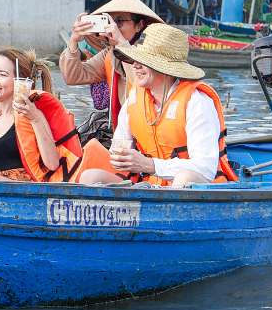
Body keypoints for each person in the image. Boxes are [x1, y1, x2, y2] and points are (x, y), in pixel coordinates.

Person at [77, 23, 238, 188]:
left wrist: (149, 165)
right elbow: (120, 146)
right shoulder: (134, 99)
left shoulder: (197, 101)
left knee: (184, 177)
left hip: (195, 187)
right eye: (135, 60)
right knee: (91, 176)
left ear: (166, 68)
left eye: (144, 61)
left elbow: (205, 168)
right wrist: (120, 157)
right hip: (150, 184)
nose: (135, 66)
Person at [0, 48, 82, 182]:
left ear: (20, 80)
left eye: (2, 75)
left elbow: (52, 164)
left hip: (23, 189)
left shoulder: (33, 115)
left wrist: (36, 119)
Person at [59, 0, 163, 130]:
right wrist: (73, 41)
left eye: (119, 22)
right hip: (123, 129)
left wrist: (121, 43)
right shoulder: (109, 55)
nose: (113, 27)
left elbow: (139, 85)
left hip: (152, 127)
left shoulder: (153, 54)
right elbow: (73, 77)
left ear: (139, 25)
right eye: (109, 22)